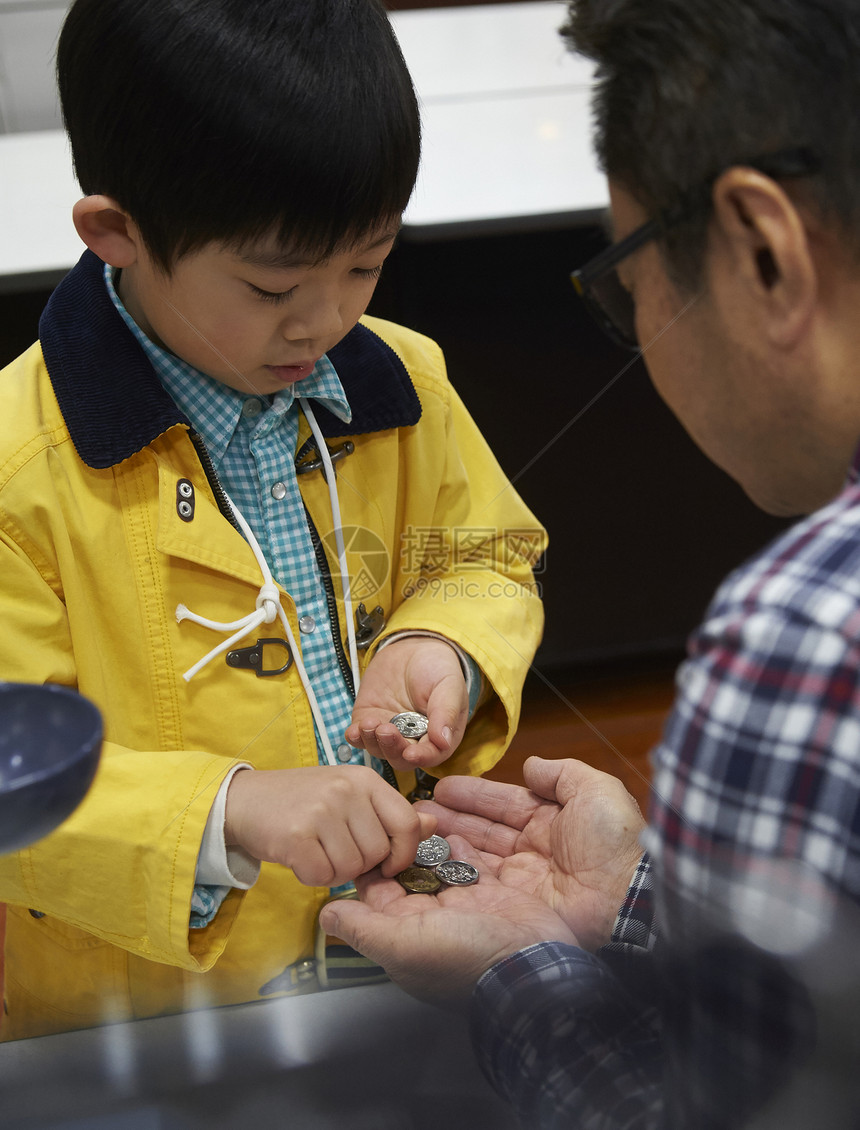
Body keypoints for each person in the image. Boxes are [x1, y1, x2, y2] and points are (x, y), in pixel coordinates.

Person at [320, 0, 860, 1125]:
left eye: (627, 276)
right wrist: (649, 898)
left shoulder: (799, 639)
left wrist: (517, 973)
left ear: (758, 247)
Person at [0, 0, 546, 1041]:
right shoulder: (16, 474)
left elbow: (488, 553)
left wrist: (445, 640)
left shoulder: (405, 380)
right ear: (116, 233)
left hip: (400, 961)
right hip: (150, 1026)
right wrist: (228, 808)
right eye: (273, 284)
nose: (327, 320)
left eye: (366, 262)